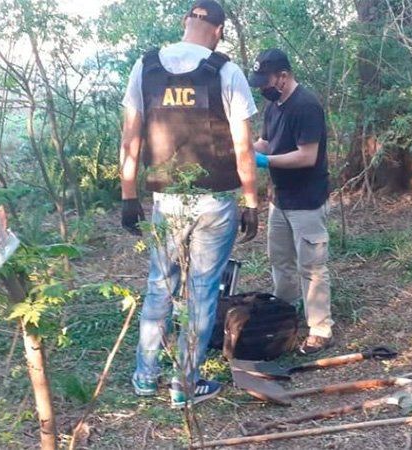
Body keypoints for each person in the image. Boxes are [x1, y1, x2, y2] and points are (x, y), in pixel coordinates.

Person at [119, 0, 259, 407]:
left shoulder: (146, 68)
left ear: (186, 23)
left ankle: (145, 377)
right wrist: (251, 200)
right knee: (201, 292)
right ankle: (184, 384)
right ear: (218, 31)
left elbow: (130, 139)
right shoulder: (225, 71)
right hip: (214, 203)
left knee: (159, 285)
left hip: (166, 201)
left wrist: (129, 195)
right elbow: (243, 147)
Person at [248, 49, 334, 355]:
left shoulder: (306, 106)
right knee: (280, 260)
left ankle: (320, 329)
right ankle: (285, 313)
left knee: (311, 266)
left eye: (265, 81)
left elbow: (307, 156)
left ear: (282, 77)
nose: (262, 88)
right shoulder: (274, 106)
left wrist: (265, 161)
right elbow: (266, 141)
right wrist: (246, 149)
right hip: (280, 200)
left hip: (307, 200)